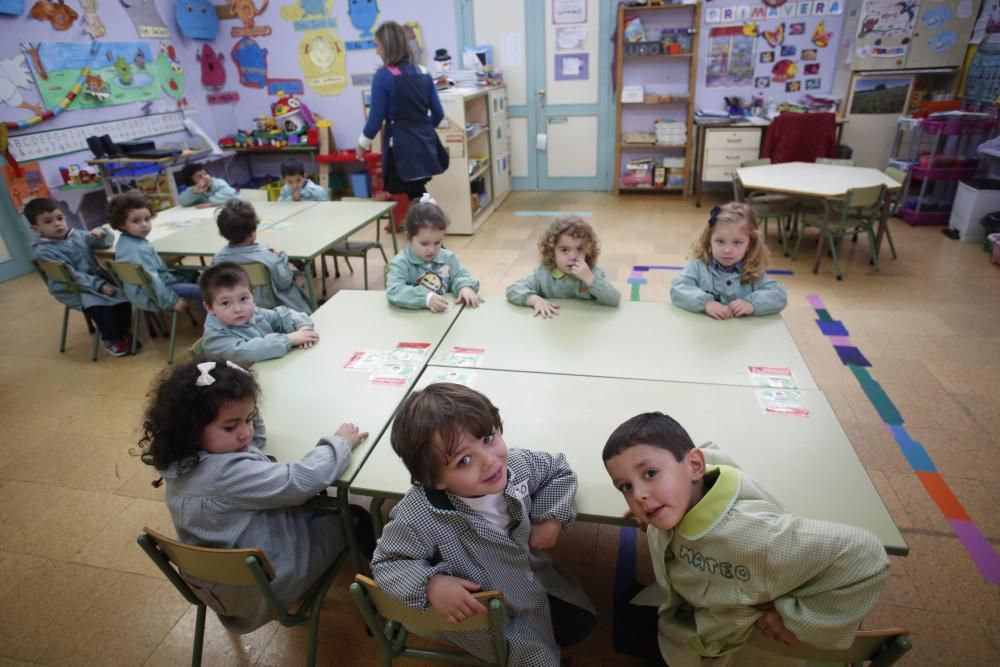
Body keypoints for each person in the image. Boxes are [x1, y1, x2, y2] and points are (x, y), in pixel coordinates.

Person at [602, 412, 890, 667]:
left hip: (725, 649)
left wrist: (796, 621)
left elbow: (866, 555)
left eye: (650, 473)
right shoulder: (705, 477)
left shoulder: (749, 536)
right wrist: (655, 504)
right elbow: (709, 452)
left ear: (694, 467)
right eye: (626, 486)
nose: (638, 494)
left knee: (621, 622)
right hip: (699, 610)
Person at [371, 383, 596, 666]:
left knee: (583, 620)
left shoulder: (516, 465)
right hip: (489, 618)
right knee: (537, 658)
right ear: (434, 479)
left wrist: (550, 517)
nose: (490, 462)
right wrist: (432, 584)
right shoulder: (419, 516)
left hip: (532, 581)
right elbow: (386, 564)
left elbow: (559, 470)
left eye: (488, 438)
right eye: (465, 460)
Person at [140, 358, 372, 633]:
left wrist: (242, 410)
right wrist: (340, 443)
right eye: (231, 426)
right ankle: (382, 591)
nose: (245, 433)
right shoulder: (224, 474)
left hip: (221, 585)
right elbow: (298, 481)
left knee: (316, 498)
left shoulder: (179, 460)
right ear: (191, 430)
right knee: (354, 508)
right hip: (274, 581)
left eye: (249, 419)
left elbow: (252, 442)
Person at [26, 198, 134, 357]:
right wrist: (98, 285)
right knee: (102, 305)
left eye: (60, 218)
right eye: (48, 221)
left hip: (93, 281)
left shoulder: (75, 235)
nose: (57, 224)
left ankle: (122, 332)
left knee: (124, 295)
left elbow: (102, 244)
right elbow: (70, 276)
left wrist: (101, 234)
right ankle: (111, 339)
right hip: (71, 288)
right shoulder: (43, 251)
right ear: (36, 228)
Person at [356, 20, 448, 202]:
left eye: (378, 46)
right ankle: (425, 222)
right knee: (416, 191)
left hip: (400, 147)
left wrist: (361, 145)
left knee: (414, 192)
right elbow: (438, 114)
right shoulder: (423, 72)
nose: (376, 51)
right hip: (425, 145)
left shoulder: (383, 77)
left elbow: (375, 120)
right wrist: (423, 128)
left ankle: (432, 221)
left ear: (388, 47)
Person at [671, 203, 787, 319]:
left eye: (737, 242)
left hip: (741, 334)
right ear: (709, 240)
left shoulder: (754, 270)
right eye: (720, 241)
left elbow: (779, 295)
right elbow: (678, 289)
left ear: (749, 245)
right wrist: (706, 303)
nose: (727, 250)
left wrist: (752, 304)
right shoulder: (698, 266)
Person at [200, 262, 318, 365]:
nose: (238, 309)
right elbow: (248, 351)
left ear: (252, 294)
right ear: (209, 307)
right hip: (243, 385)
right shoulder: (214, 339)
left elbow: (282, 315)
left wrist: (303, 327)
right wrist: (289, 339)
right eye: (225, 303)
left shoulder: (252, 312)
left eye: (243, 298)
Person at [506, 215, 621, 318]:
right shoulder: (543, 274)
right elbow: (513, 289)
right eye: (565, 250)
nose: (573, 256)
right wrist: (535, 300)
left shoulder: (591, 273)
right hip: (552, 326)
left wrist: (590, 279)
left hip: (583, 327)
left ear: (588, 250)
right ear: (552, 252)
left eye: (580, 249)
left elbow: (614, 299)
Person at [212, 200, 312, 313]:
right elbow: (284, 282)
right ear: (252, 231)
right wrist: (280, 258)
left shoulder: (218, 260)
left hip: (239, 308)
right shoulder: (267, 257)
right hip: (273, 308)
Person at [110, 192, 201, 314]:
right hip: (151, 294)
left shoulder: (125, 242)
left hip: (139, 293)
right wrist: (171, 301)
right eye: (136, 221)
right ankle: (215, 328)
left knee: (194, 273)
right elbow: (153, 280)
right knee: (202, 291)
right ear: (121, 224)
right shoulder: (138, 250)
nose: (144, 225)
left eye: (147, 219)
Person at [385, 197, 481, 311]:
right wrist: (425, 298)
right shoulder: (400, 263)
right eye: (424, 243)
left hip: (446, 317)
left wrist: (465, 287)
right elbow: (395, 290)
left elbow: (461, 276)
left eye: (437, 242)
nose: (431, 250)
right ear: (409, 237)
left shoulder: (448, 258)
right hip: (414, 322)